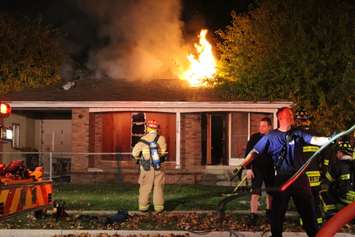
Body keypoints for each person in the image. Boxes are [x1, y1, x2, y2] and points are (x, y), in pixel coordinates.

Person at [239, 107, 330, 237]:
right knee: (277, 215)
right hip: (282, 179)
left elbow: (314, 140)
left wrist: (329, 139)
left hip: (300, 178)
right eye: (290, 115)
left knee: (309, 214)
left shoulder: (298, 132)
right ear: (281, 117)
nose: (292, 117)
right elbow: (255, 152)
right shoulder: (271, 136)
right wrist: (243, 165)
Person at [294, 109, 324, 226]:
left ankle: (305, 222)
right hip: (315, 174)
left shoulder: (296, 135)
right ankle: (318, 221)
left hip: (302, 175)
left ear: (298, 121)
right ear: (308, 121)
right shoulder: (317, 134)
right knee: (315, 199)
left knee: (304, 200)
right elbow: (323, 155)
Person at [132, 119, 167, 213]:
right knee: (158, 187)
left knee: (145, 186)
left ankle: (143, 207)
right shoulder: (161, 138)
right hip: (158, 166)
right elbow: (163, 152)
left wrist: (138, 158)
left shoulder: (143, 139)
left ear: (148, 128)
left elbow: (134, 153)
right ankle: (158, 207)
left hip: (146, 167)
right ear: (157, 129)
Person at [244, 117, 274, 225]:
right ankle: (253, 215)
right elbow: (248, 154)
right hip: (257, 169)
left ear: (269, 127)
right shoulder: (254, 138)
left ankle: (269, 214)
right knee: (255, 192)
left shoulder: (274, 137)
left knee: (270, 193)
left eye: (264, 126)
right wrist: (248, 169)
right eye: (260, 126)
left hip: (270, 169)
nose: (261, 128)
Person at [321, 140, 354, 218]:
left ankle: (331, 212)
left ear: (340, 153)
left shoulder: (337, 165)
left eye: (337, 152)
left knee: (323, 190)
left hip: (344, 198)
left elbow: (328, 180)